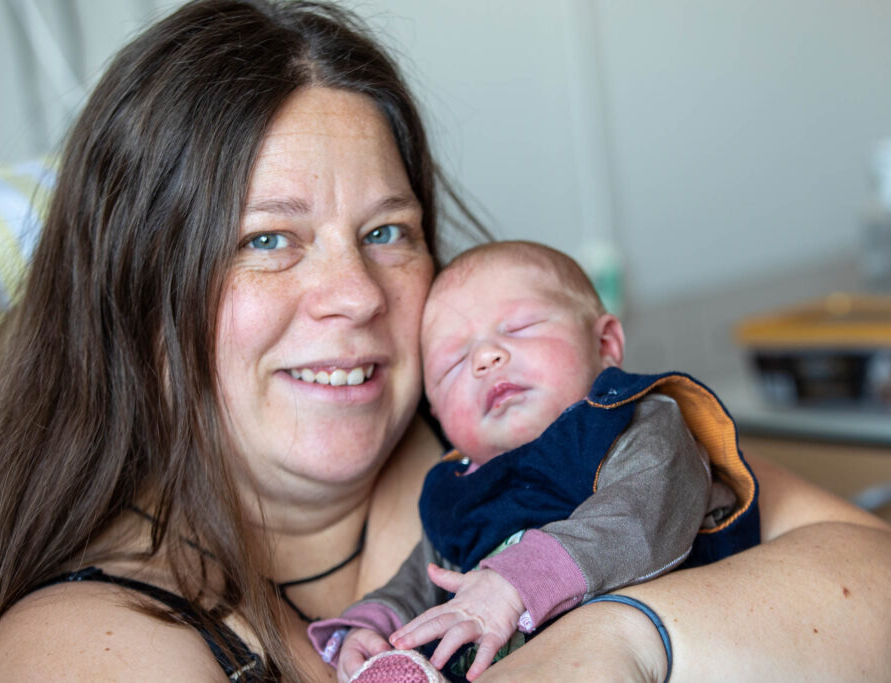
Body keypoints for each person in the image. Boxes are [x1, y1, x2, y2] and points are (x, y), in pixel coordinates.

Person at [0, 1, 891, 681]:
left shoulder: (536, 435)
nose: (353, 293)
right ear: (136, 297)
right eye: (267, 239)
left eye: (386, 232)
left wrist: (612, 639)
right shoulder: (98, 636)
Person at [308, 240, 758, 682]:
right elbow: (423, 578)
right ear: (439, 415)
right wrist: (374, 628)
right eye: (453, 364)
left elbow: (646, 516)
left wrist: (517, 582)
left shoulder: (630, 420)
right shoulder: (458, 491)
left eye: (519, 328)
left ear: (605, 343)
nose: (485, 358)